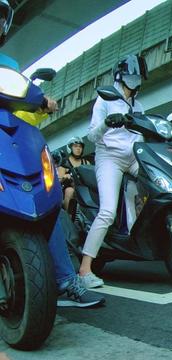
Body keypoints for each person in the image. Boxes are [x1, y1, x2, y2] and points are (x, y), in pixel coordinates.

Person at [0, 0, 104, 308]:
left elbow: (20, 99)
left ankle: (65, 279)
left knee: (42, 201)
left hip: (7, 133)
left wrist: (42, 101)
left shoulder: (7, 64)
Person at [79, 54, 148, 289]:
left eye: (138, 76)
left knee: (161, 187)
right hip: (109, 158)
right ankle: (85, 269)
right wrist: (108, 122)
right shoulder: (105, 100)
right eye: (131, 75)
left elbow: (142, 135)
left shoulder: (138, 105)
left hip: (134, 158)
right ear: (120, 76)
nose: (135, 80)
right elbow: (91, 136)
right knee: (107, 211)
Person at [58, 136, 91, 212]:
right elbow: (58, 181)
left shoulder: (86, 163)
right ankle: (69, 217)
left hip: (84, 189)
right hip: (70, 190)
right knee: (69, 191)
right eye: (75, 146)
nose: (78, 148)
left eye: (80, 146)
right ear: (70, 148)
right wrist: (64, 177)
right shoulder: (64, 163)